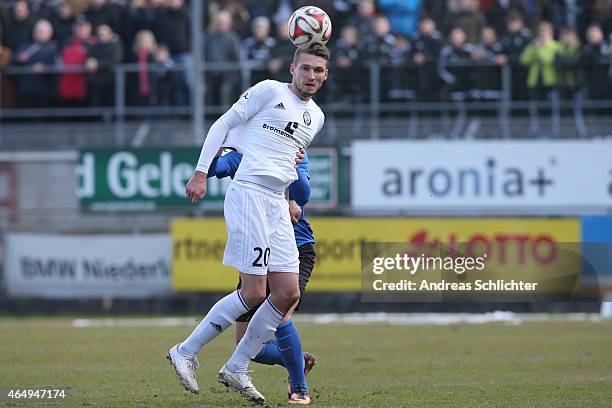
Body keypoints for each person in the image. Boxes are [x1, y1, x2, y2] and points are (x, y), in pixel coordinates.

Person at [168, 44, 329, 405]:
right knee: (254, 292)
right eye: (306, 68)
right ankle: (185, 350)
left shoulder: (315, 118)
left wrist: (293, 197)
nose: (311, 76)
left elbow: (293, 169)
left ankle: (237, 367)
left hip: (276, 202)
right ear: (292, 69)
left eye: (318, 70)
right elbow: (223, 124)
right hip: (250, 194)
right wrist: (201, 171)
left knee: (287, 293)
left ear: (325, 75)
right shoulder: (269, 91)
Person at [206, 146, 317, 404]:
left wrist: (294, 194)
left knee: (279, 314)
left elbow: (303, 195)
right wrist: (212, 150)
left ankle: (300, 388)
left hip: (295, 247)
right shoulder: (243, 153)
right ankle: (300, 361)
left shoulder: (292, 146)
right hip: (258, 250)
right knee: (249, 346)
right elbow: (215, 169)